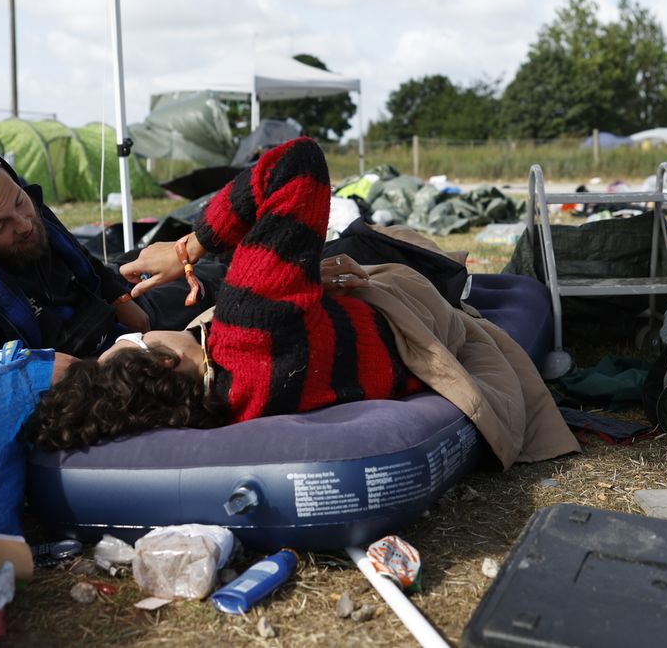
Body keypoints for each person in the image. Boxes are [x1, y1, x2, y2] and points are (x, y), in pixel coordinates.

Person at [31, 137, 580, 472]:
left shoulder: (227, 408)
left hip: (362, 336)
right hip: (413, 305)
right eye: (144, 341)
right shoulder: (251, 326)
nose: (158, 332)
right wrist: (187, 247)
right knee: (382, 243)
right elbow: (297, 164)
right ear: (167, 362)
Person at [0, 146, 219, 362]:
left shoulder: (28, 212)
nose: (24, 224)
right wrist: (43, 374)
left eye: (20, 202)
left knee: (213, 274)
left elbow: (84, 259)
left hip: (113, 308)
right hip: (99, 355)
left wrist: (122, 302)